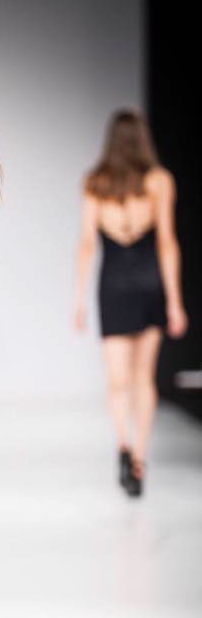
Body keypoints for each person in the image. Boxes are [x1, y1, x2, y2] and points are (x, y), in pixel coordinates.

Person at [73, 108, 187, 497]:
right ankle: (139, 456)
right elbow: (167, 242)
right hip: (150, 284)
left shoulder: (96, 182)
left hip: (114, 286)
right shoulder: (159, 181)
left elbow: (87, 244)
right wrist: (175, 302)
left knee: (117, 379)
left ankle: (122, 443)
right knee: (144, 378)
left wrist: (79, 300)